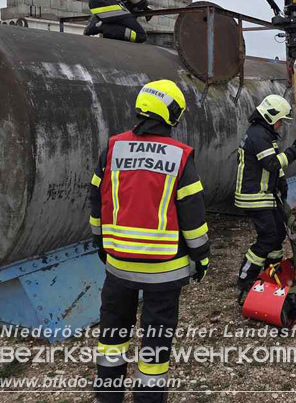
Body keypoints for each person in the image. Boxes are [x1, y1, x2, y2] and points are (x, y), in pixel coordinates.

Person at [89, 80, 209, 402]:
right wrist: (202, 257)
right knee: (156, 340)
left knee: (113, 335)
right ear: (172, 114)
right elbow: (192, 215)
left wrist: (101, 242)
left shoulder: (112, 149)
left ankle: (108, 396)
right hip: (164, 271)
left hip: (117, 268)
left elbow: (96, 199)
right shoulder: (180, 157)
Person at [235, 95, 296, 300]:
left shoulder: (263, 134)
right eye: (280, 120)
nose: (281, 125)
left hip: (265, 194)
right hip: (255, 196)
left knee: (279, 233)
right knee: (268, 237)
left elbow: (273, 168)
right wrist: (294, 150)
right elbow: (272, 163)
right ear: (270, 115)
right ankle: (245, 278)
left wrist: (281, 182)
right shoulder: (258, 135)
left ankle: (272, 270)